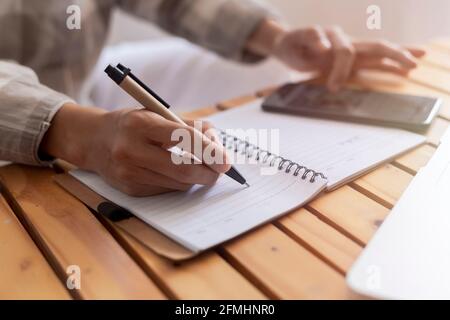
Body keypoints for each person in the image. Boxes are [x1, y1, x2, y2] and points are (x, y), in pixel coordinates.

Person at [0, 0, 424, 196]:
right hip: (18, 112)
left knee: (273, 66)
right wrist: (78, 135)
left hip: (84, 77)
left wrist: (279, 40)